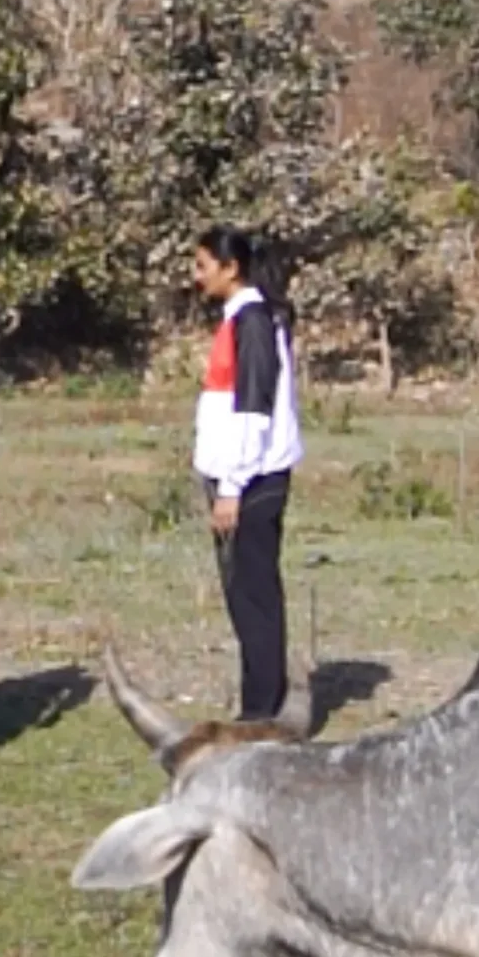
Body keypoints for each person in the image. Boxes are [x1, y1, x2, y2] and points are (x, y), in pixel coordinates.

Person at [191, 224, 304, 720]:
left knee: (253, 597)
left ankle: (262, 713)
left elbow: (252, 412)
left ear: (230, 268)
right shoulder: (241, 319)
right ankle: (259, 702)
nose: (196, 277)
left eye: (202, 266)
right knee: (246, 595)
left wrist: (231, 488)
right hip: (240, 479)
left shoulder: (253, 321)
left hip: (253, 483)